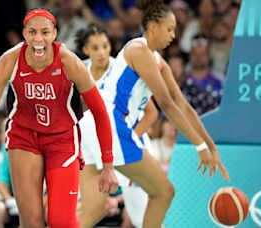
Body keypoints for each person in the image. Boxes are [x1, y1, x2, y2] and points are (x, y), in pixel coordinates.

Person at [80, 0, 230, 227]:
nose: (173, 34)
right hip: (109, 125)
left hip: (92, 126)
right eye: (169, 29)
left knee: (93, 211)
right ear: (152, 27)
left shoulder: (157, 60)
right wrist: (198, 146)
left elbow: (183, 105)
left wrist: (210, 146)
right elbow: (167, 105)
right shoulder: (139, 50)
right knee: (164, 192)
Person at [0, 8, 118, 228]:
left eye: (45, 32)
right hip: (24, 137)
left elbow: (100, 113)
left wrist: (108, 166)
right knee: (32, 223)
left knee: (61, 222)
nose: (38, 39)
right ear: (24, 34)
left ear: (55, 34)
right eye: (32, 32)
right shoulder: (9, 61)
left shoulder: (70, 61)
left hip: (62, 140)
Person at [75, 25, 157, 228]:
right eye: (95, 48)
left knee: (142, 219)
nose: (102, 52)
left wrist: (126, 144)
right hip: (97, 148)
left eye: (105, 46)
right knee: (91, 211)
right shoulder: (78, 72)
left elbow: (151, 114)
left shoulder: (121, 71)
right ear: (86, 50)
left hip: (130, 145)